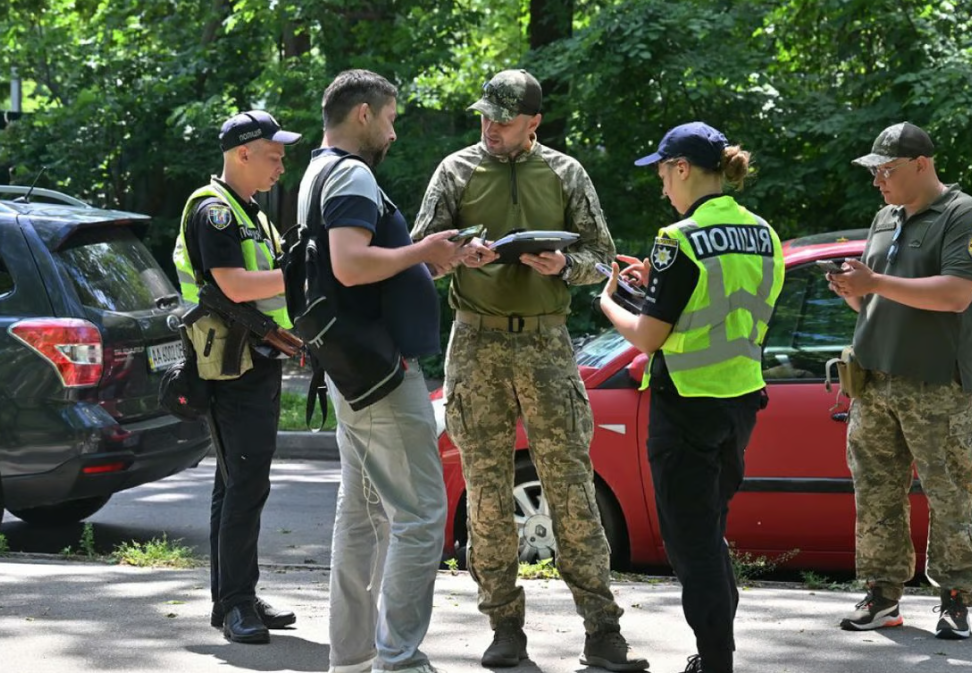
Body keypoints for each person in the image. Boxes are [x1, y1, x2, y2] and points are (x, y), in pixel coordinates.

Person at [412, 68, 647, 672]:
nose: (490, 128)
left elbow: (602, 259)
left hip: (546, 344)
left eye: (504, 120)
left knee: (571, 488)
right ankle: (503, 624)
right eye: (484, 116)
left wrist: (563, 267)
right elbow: (419, 259)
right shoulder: (455, 171)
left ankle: (602, 630)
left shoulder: (566, 173)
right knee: (486, 491)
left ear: (534, 122)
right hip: (475, 343)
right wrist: (456, 254)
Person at [599, 121, 783, 673]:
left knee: (692, 546)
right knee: (709, 533)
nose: (662, 188)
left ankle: (716, 661)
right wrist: (653, 283)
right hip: (741, 401)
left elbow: (650, 336)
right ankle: (715, 652)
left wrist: (608, 303)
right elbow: (722, 304)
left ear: (682, 168)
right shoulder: (765, 233)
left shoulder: (676, 240)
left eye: (662, 174)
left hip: (686, 408)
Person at [298, 69, 465, 673]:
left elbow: (364, 267)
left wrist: (433, 261)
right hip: (379, 375)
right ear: (363, 113)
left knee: (363, 515)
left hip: (350, 369)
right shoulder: (350, 172)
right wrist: (423, 252)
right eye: (391, 118)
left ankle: (353, 657)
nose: (394, 132)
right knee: (421, 514)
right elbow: (349, 265)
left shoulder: (317, 170)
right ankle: (399, 661)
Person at [828, 122, 972, 640]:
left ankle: (955, 600)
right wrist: (854, 290)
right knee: (876, 493)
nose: (879, 181)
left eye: (887, 171)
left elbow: (955, 295)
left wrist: (874, 281)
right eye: (874, 172)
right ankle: (882, 596)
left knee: (949, 495)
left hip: (937, 385)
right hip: (874, 380)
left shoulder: (964, 214)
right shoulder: (885, 217)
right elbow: (878, 299)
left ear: (922, 165)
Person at [171, 110, 301, 645]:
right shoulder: (214, 213)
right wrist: (307, 274)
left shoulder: (253, 214)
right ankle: (236, 604)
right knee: (245, 483)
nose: (281, 166)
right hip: (230, 367)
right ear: (243, 153)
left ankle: (232, 599)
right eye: (274, 155)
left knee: (236, 483)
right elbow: (233, 286)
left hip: (255, 361)